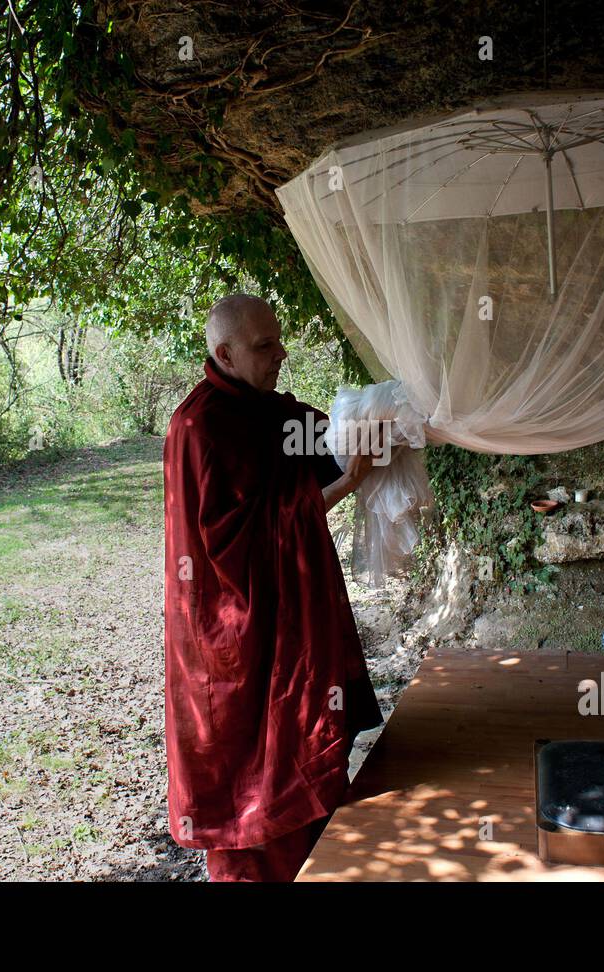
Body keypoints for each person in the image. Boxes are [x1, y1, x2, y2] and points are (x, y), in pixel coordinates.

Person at [162, 293, 385, 882]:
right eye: (266, 347)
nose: (281, 354)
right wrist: (346, 486)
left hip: (291, 623)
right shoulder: (201, 426)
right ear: (225, 353)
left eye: (279, 341)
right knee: (253, 788)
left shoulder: (267, 411)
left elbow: (329, 444)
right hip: (234, 640)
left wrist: (392, 421)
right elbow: (240, 547)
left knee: (309, 762)